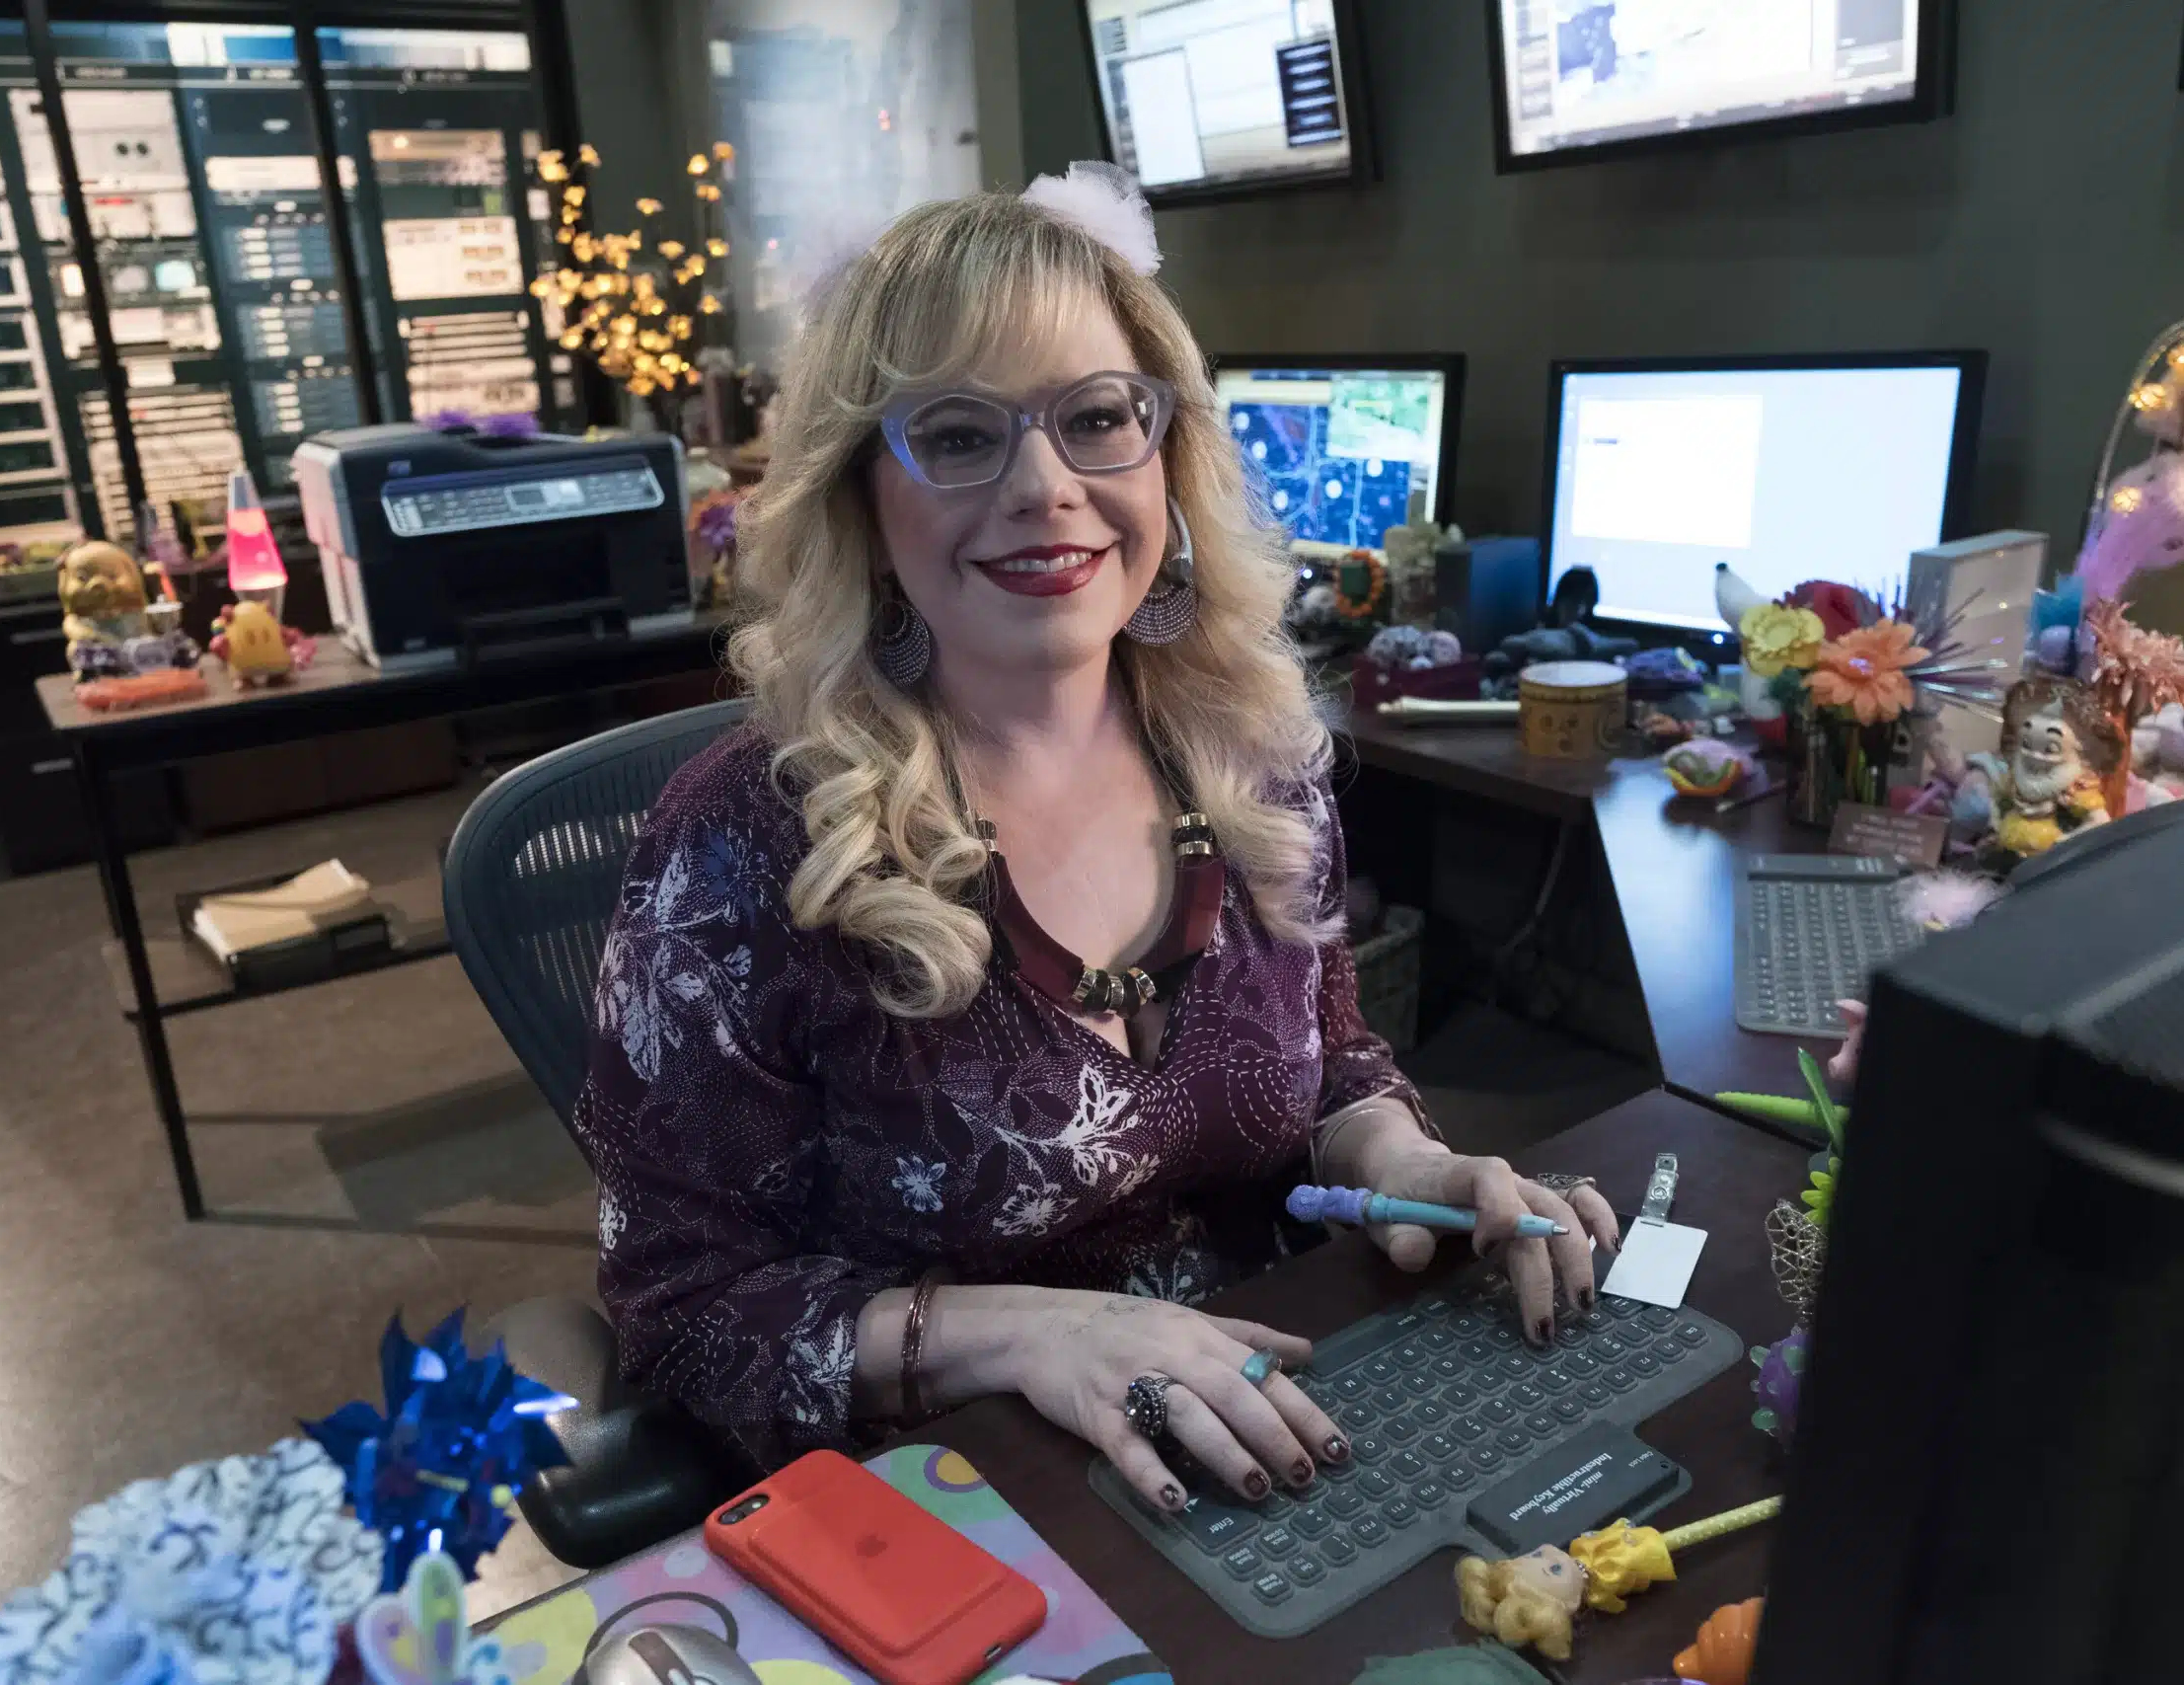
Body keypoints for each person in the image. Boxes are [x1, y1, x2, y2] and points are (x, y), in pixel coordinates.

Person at [573, 164, 1619, 1516]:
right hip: (962, 1503)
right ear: (860, 499)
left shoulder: (1251, 749)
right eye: (959, 435)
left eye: (1097, 417)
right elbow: (683, 1309)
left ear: (1166, 452)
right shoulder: (740, 840)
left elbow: (1334, 1062)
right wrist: (1025, 1334)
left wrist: (1404, 1165)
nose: (1045, 486)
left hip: (1286, 1431)